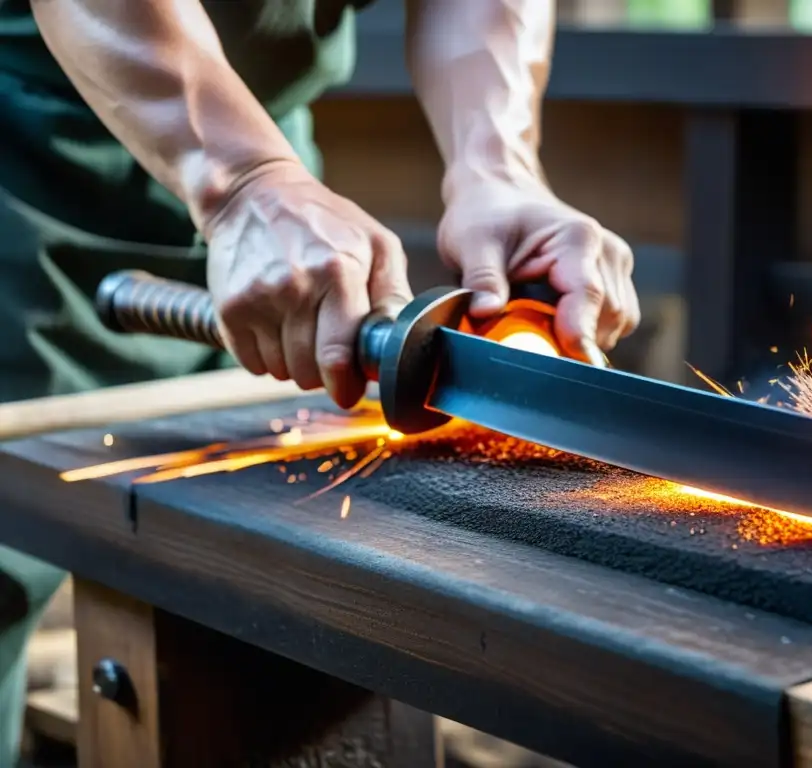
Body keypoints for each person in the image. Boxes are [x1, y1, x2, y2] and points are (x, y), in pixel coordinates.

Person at [0, 0, 639, 761]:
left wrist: (498, 165)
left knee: (260, 561)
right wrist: (241, 183)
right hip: (31, 162)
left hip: (277, 201)